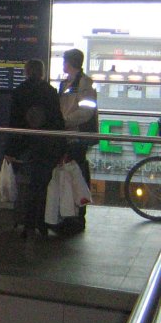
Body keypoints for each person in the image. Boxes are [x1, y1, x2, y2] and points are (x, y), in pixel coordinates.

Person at [4, 59, 66, 239]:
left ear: (26, 72)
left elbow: (14, 123)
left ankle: (26, 222)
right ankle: (41, 222)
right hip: (46, 145)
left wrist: (10, 150)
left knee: (27, 185)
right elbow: (57, 121)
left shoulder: (19, 92)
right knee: (42, 185)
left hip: (26, 146)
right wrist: (61, 148)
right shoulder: (50, 91)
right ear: (42, 72)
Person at [59, 48, 96, 233]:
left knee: (77, 175)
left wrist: (65, 121)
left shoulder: (84, 83)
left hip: (77, 136)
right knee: (70, 174)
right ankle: (69, 215)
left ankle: (77, 217)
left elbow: (87, 111)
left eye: (64, 61)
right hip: (68, 135)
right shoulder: (67, 83)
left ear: (70, 63)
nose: (62, 64)